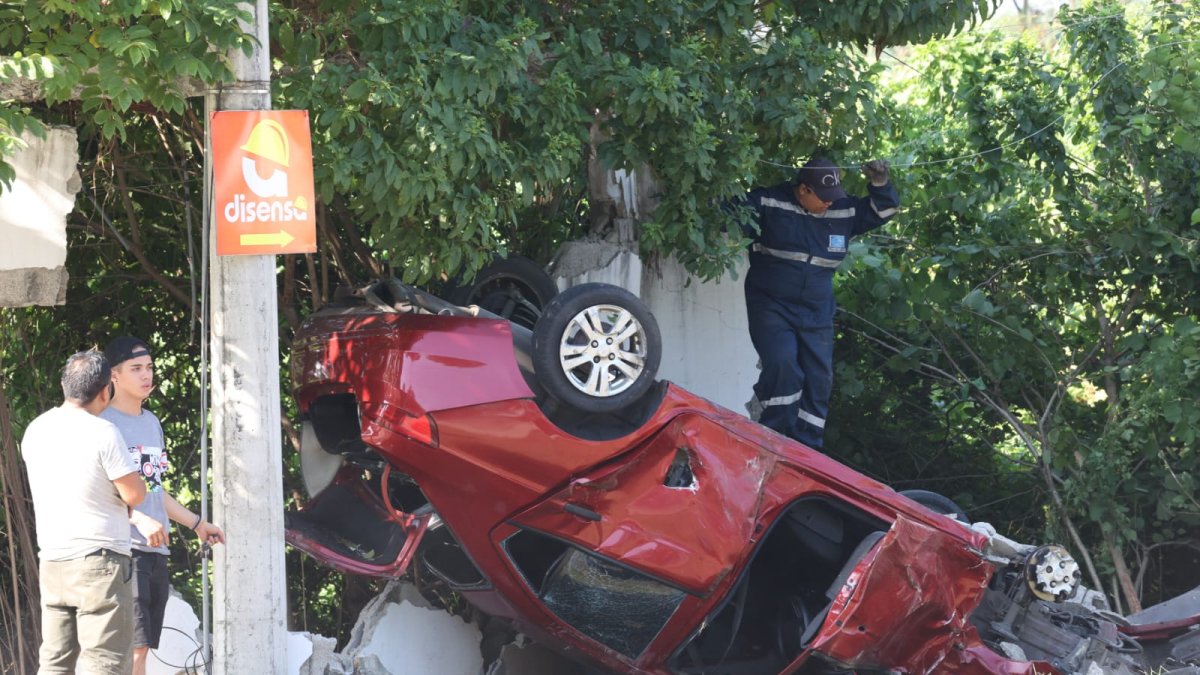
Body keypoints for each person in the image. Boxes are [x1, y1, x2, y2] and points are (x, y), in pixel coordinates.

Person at [737, 157, 899, 449]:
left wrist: (879, 182)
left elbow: (885, 209)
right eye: (822, 198)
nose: (828, 204)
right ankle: (769, 438)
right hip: (771, 307)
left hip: (816, 313)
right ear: (803, 189)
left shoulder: (843, 210)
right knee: (783, 366)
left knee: (818, 379)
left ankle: (807, 451)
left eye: (832, 197)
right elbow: (725, 213)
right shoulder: (769, 203)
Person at [100, 335, 225, 675]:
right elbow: (99, 492)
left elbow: (153, 489)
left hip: (157, 553)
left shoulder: (151, 423)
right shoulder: (103, 425)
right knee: (132, 650)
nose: (146, 375)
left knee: (142, 650)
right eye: (136, 368)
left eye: (150, 368)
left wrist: (197, 523)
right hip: (124, 551)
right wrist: (137, 519)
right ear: (114, 375)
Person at [21, 349, 147, 674]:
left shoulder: (35, 429)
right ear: (107, 390)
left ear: (65, 385)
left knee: (55, 662)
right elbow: (134, 494)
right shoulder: (103, 432)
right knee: (103, 662)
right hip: (100, 563)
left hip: (53, 561)